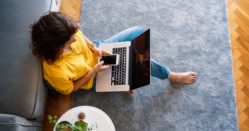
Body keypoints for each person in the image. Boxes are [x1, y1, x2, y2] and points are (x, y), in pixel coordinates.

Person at [30, 12, 197, 95]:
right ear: (56, 45)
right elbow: (71, 89)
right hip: (93, 76)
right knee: (133, 58)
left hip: (98, 50)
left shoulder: (67, 33)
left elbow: (79, 35)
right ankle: (168, 75)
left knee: (138, 33)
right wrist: (94, 71)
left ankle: (126, 78)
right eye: (70, 41)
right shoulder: (55, 72)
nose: (75, 40)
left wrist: (94, 48)